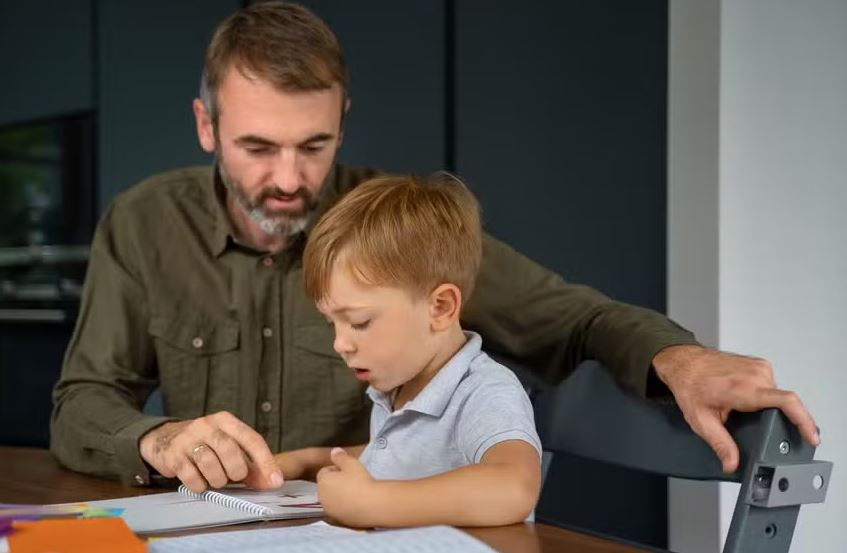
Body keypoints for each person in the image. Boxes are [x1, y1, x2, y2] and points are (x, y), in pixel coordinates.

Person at [50, 1, 818, 493]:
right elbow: (81, 402)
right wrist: (160, 437)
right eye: (256, 147)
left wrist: (678, 359)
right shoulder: (143, 221)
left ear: (342, 122)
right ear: (205, 125)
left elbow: (575, 319)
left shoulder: (400, 230)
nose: (287, 179)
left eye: (314, 145)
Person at [273, 174, 541, 527]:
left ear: (440, 307)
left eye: (360, 322)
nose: (340, 343)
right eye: (331, 323)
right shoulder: (398, 385)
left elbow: (514, 487)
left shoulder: (484, 392)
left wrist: (373, 502)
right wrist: (306, 462)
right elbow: (399, 459)